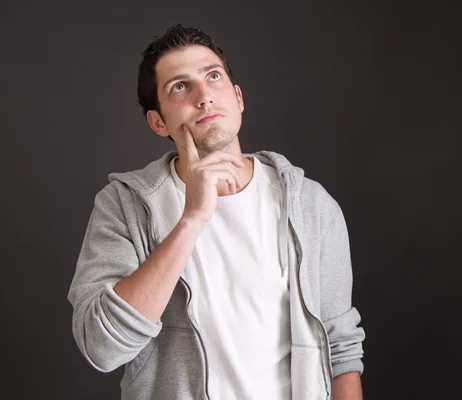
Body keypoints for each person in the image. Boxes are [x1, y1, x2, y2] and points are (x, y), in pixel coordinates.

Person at [67, 24, 365, 400]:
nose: (204, 95)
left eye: (213, 76)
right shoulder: (124, 205)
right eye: (179, 86)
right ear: (158, 121)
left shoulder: (310, 204)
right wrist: (192, 219)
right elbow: (101, 347)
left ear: (238, 97)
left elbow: (340, 349)